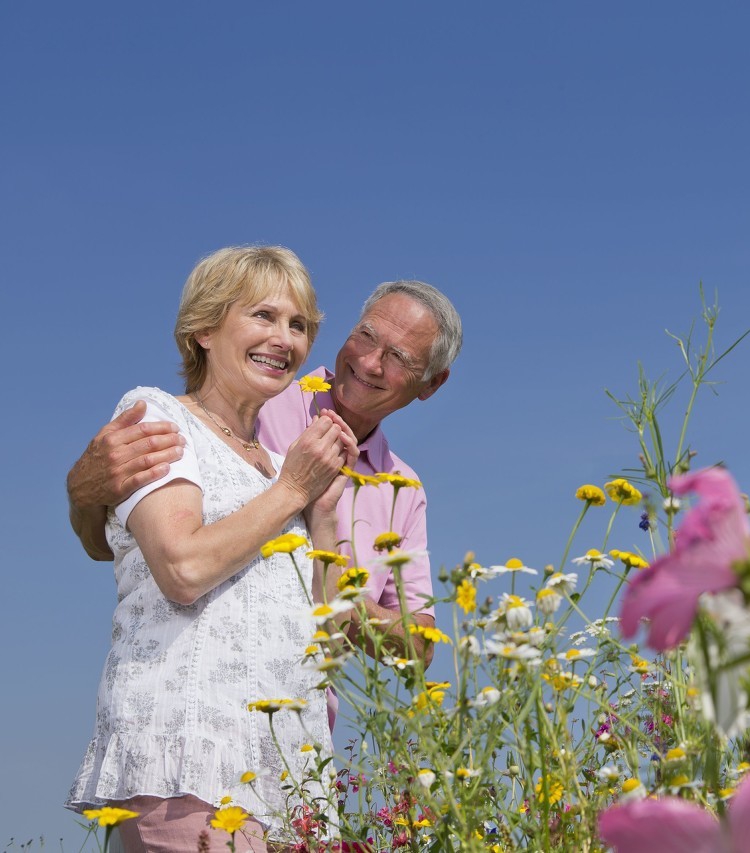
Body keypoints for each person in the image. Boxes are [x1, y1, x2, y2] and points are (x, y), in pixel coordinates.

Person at [66, 246, 360, 850]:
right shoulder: (159, 416)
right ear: (202, 328)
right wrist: (294, 490)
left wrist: (323, 514)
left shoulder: (282, 468)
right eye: (263, 315)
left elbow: (331, 643)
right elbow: (183, 567)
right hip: (189, 765)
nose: (285, 338)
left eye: (299, 325)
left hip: (289, 783)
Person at [66, 279, 462, 688]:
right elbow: (124, 544)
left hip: (303, 727)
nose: (371, 363)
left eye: (398, 356)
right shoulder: (253, 400)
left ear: (432, 384)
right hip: (190, 689)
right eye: (366, 336)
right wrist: (83, 494)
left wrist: (340, 603)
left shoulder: (403, 489)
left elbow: (419, 648)